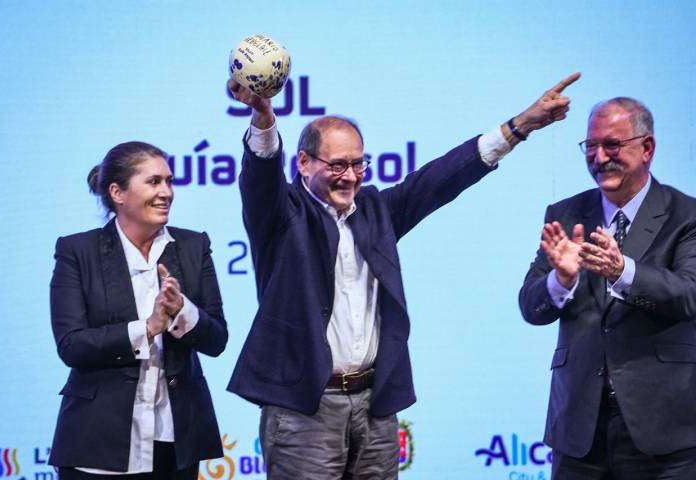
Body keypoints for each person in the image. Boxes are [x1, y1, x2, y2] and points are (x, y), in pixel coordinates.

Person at [226, 72, 580, 479]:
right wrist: (264, 117)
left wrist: (519, 126)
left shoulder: (377, 210)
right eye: (338, 165)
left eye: (359, 163)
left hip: (375, 405)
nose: (351, 175)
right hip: (305, 407)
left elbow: (441, 178)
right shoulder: (281, 213)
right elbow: (260, 174)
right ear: (304, 163)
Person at [519, 97, 696, 478]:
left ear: (647, 148)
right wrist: (560, 280)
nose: (599, 157)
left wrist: (622, 271)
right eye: (591, 146)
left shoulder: (687, 215)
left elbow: (689, 294)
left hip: (662, 431)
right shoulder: (564, 214)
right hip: (579, 428)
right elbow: (530, 306)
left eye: (612, 145)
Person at [48, 141, 228, 479]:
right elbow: (72, 345)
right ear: (117, 192)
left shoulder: (193, 246)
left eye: (169, 181)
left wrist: (181, 312)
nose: (167, 192)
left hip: (175, 441)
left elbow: (217, 339)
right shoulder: (77, 251)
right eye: (154, 182)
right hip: (98, 440)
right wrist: (147, 328)